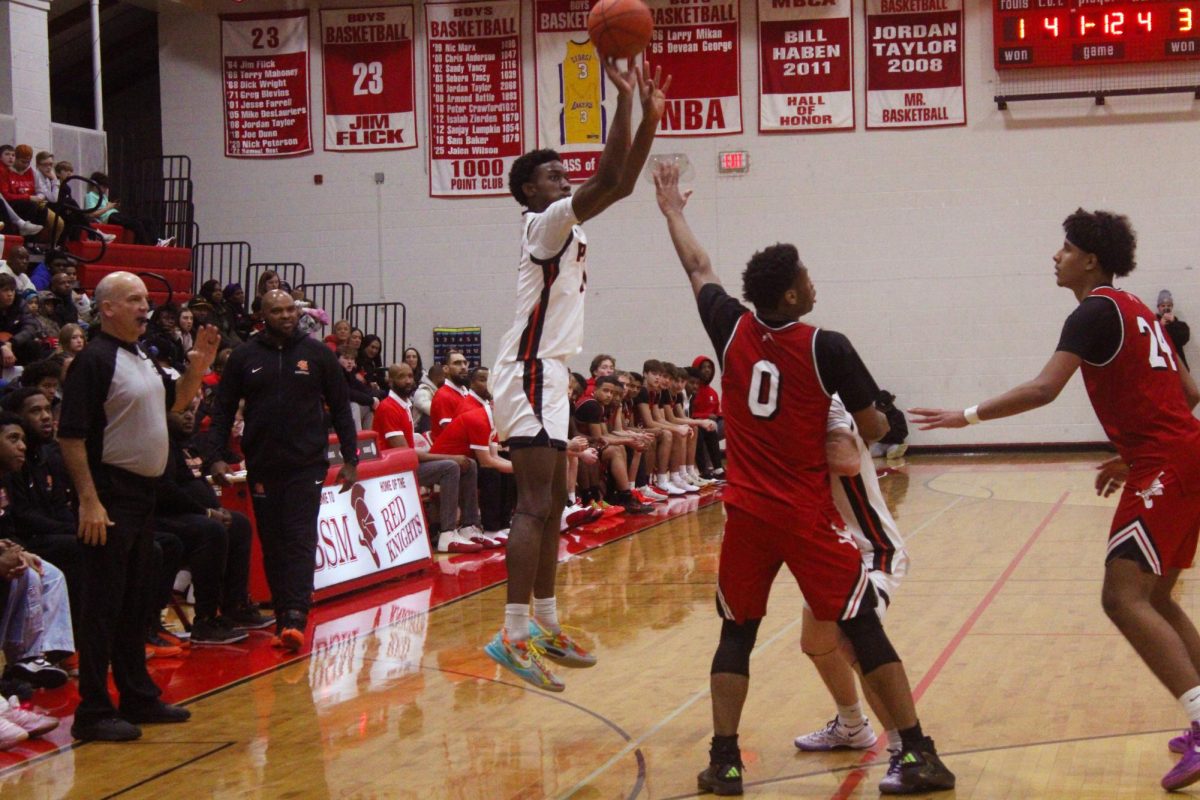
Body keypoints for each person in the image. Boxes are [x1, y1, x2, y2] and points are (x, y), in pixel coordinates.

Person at [653, 160, 954, 796]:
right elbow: (878, 427)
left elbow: (698, 268)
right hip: (806, 513)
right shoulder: (827, 345)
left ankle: (725, 761)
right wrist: (845, 437)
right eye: (807, 278)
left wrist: (673, 210)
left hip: (747, 516)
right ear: (791, 295)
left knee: (737, 634)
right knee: (862, 628)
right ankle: (919, 751)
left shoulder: (731, 328)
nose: (813, 284)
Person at [911, 209, 1200, 792]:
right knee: (1157, 596)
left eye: (1065, 248)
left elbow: (1044, 389)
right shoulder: (1139, 309)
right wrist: (1136, 447)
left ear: (1090, 259)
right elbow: (1189, 392)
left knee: (1121, 596)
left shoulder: (1094, 311)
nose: (1055, 256)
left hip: (1166, 465)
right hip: (1180, 455)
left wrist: (965, 416)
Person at [483, 57, 669, 692]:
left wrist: (648, 117)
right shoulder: (544, 223)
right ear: (529, 191)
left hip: (549, 371)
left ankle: (543, 622)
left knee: (556, 500)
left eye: (566, 170)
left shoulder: (565, 218)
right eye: (553, 174)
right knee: (534, 504)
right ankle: (511, 634)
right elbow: (611, 181)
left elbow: (618, 180)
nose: (565, 177)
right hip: (529, 369)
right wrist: (626, 104)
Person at [58, 271, 219, 742]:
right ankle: (91, 709)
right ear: (106, 308)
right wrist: (89, 500)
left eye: (145, 299)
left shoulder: (141, 355)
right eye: (132, 300)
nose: (143, 307)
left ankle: (136, 694)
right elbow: (71, 436)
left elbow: (175, 404)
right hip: (109, 494)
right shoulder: (93, 360)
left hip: (143, 496)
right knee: (103, 603)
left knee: (133, 601)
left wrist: (198, 366)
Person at [206, 289, 358, 653]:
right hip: (262, 464)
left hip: (307, 463)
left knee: (300, 537)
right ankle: (281, 606)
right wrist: (215, 456)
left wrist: (351, 459)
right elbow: (223, 409)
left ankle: (294, 616)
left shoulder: (318, 353)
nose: (287, 316)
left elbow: (341, 406)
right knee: (272, 541)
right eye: (278, 311)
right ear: (262, 314)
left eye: (292, 309)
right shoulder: (244, 356)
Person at [793, 394, 910, 758]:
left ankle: (904, 747)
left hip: (873, 550)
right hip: (834, 553)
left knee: (852, 640)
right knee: (816, 641)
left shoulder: (828, 402)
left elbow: (844, 460)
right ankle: (852, 726)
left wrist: (775, 450)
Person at [373, 363, 490, 553]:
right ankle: (447, 533)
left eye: (411, 376)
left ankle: (469, 525)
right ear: (390, 381)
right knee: (450, 467)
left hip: (407, 464)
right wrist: (449, 457)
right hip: (394, 470)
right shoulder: (388, 408)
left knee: (470, 465)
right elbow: (404, 453)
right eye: (402, 377)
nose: (408, 381)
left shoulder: (404, 405)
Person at [1158, 290, 1190, 370]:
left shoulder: (1181, 325)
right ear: (1158, 307)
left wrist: (1173, 323)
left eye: (1169, 305)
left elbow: (1183, 339)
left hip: (1179, 365)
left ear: (1172, 307)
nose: (1166, 308)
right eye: (1163, 306)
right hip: (1163, 365)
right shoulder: (1153, 324)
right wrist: (1160, 326)